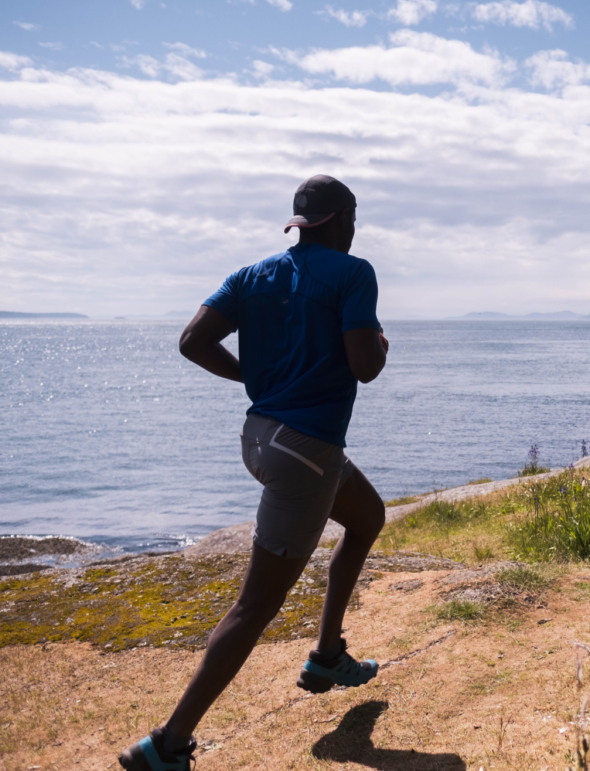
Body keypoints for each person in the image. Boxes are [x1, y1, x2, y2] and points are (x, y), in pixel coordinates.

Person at [119, 175, 389, 771]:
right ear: (342, 221)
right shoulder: (354, 273)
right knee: (254, 606)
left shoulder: (251, 275)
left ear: (299, 225)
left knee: (367, 517)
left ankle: (327, 654)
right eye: (355, 218)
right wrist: (380, 347)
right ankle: (166, 743)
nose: (355, 229)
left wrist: (258, 379)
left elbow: (192, 341)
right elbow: (364, 367)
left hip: (262, 437)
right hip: (306, 451)